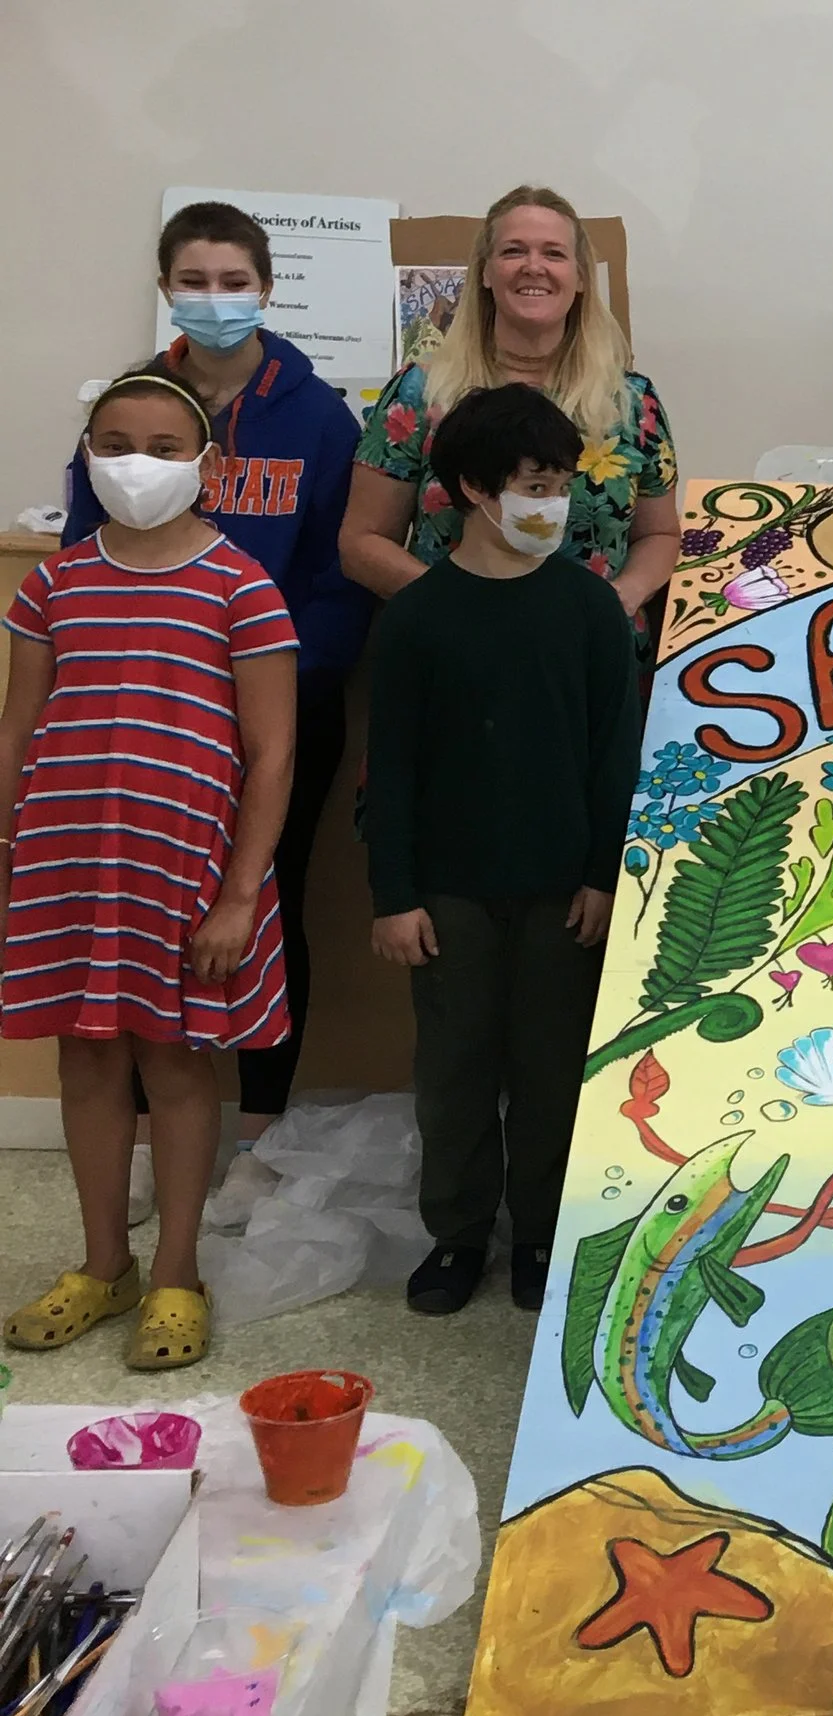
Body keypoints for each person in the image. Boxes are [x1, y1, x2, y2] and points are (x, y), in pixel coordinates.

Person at [59, 201, 366, 1211]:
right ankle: (149, 1141)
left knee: (263, 899)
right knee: (142, 911)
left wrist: (273, 676)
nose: (216, 298)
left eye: (236, 281)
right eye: (197, 279)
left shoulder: (318, 417)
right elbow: (78, 550)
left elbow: (337, 574)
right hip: (143, 719)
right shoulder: (128, 407)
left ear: (267, 289)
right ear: (165, 286)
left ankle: (259, 1131)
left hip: (278, 712)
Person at [0, 373, 297, 1372]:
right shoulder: (56, 583)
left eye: (166, 446)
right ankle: (100, 1264)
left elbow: (273, 756)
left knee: (174, 1061)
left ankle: (176, 1273)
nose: (140, 462)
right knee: (85, 1060)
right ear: (87, 454)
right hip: (64, 863)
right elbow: (18, 727)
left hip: (187, 875)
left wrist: (241, 893)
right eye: (117, 441)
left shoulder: (240, 586)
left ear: (207, 466)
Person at [364, 385, 639, 1317]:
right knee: (455, 1071)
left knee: (556, 1072)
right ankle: (457, 1235)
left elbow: (615, 759)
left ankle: (540, 1234)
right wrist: (393, 895)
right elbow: (390, 772)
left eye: (561, 482)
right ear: (476, 490)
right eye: (535, 482)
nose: (552, 502)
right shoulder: (417, 620)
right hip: (448, 894)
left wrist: (606, 875)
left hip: (565, 891)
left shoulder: (592, 612)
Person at [341, 186, 678, 623]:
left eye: (553, 254)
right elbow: (361, 542)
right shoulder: (419, 393)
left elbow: (661, 533)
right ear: (484, 273)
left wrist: (619, 599)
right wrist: (466, 611)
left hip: (590, 659)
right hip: (456, 652)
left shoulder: (632, 403)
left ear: (580, 279)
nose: (533, 267)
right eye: (514, 251)